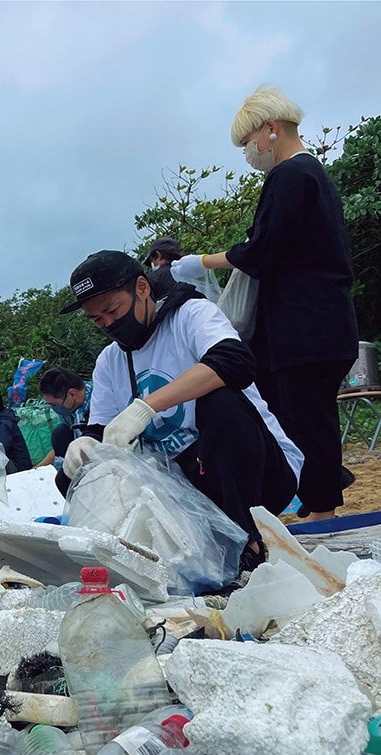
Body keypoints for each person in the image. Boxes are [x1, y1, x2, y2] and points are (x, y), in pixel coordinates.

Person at [171, 86, 358, 521]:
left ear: (270, 130)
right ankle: (317, 500)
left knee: (306, 416)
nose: (249, 154)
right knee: (302, 412)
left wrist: (202, 261)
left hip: (307, 326)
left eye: (247, 142)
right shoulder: (313, 175)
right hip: (319, 322)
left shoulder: (290, 176)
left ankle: (322, 509)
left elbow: (262, 250)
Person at [58, 250, 303, 576]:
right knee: (73, 476)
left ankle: (247, 541)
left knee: (220, 402)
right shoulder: (109, 361)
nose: (108, 323)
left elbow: (234, 361)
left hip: (259, 474)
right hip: (189, 494)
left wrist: (147, 406)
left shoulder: (191, 316)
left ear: (142, 288)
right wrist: (86, 445)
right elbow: (101, 428)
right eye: (96, 319)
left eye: (112, 309)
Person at [38, 367, 92, 464]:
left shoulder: (100, 403)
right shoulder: (69, 409)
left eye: (54, 404)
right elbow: (61, 445)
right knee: (60, 433)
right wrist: (36, 469)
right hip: (81, 450)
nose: (54, 408)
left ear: (71, 394)